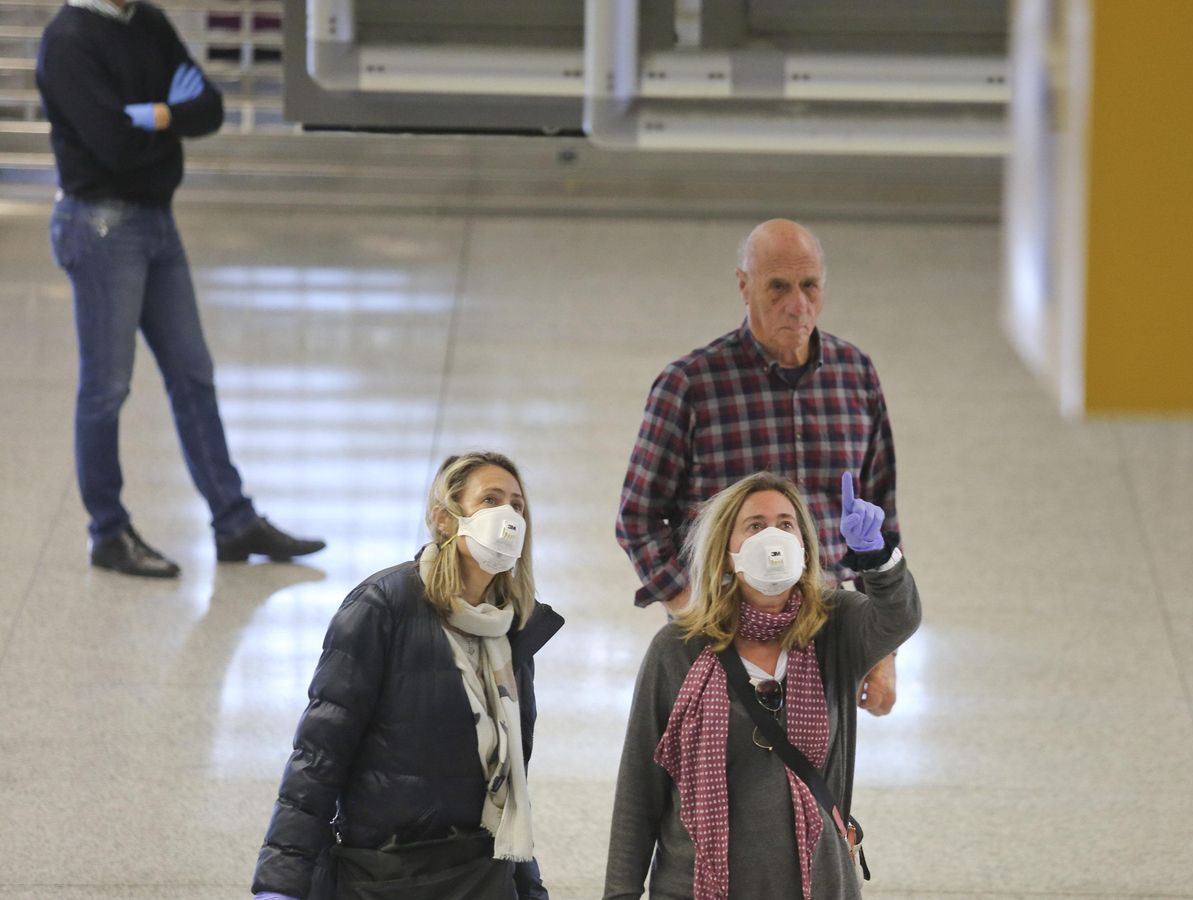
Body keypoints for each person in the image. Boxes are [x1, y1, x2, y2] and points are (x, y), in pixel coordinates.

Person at [35, 0, 323, 578]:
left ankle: (234, 521)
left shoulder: (148, 21)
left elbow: (209, 108)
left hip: (155, 222)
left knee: (193, 374)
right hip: (100, 227)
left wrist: (156, 116)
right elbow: (111, 145)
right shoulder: (68, 39)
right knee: (107, 388)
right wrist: (168, 119)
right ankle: (108, 533)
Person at [616, 218, 902, 715]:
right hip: (720, 638)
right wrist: (692, 612)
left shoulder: (855, 375)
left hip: (823, 635)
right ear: (743, 286)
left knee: (815, 787)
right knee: (715, 784)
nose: (798, 305)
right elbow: (637, 518)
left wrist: (883, 651)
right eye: (778, 287)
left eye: (809, 286)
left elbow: (880, 521)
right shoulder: (690, 385)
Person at [251, 452, 564, 900]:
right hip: (387, 875)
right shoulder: (382, 606)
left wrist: (528, 888)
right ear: (443, 519)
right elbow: (320, 754)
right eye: (490, 500)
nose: (508, 517)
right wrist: (280, 883)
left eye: (517, 505)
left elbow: (508, 779)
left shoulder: (510, 628)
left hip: (482, 873)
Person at [603, 470, 920, 900]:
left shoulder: (834, 627)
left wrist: (878, 557)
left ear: (805, 546)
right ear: (727, 550)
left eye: (786, 524)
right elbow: (639, 788)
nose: (773, 536)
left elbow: (898, 618)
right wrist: (620, 893)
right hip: (694, 886)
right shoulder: (677, 649)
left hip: (818, 882)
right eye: (755, 526)